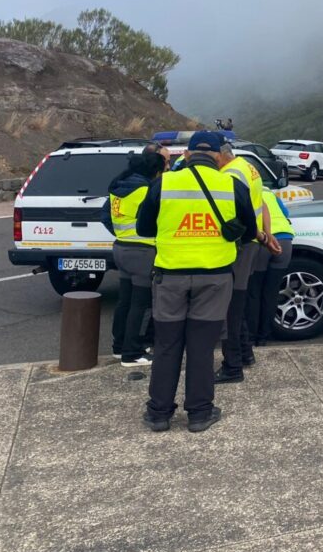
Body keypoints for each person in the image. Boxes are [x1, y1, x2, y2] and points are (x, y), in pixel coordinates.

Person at [136, 131, 258, 433]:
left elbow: (143, 228)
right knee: (202, 346)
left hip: (170, 276)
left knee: (166, 345)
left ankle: (159, 413)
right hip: (215, 277)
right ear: (219, 158)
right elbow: (249, 231)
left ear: (187, 155)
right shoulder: (232, 185)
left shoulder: (163, 184)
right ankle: (200, 413)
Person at [216, 143, 277, 384]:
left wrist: (262, 235)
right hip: (252, 242)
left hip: (240, 244)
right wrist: (265, 235)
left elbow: (236, 213)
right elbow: (260, 204)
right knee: (237, 302)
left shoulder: (230, 174)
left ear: (222, 156)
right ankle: (244, 353)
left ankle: (232, 366)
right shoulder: (247, 167)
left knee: (231, 305)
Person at [101, 151, 166, 366]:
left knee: (126, 301)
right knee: (142, 303)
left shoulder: (117, 188)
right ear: (153, 171)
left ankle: (119, 346)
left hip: (121, 248)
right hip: (142, 251)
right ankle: (133, 352)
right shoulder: (146, 190)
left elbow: (105, 217)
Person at [247, 189, 295, 347]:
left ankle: (251, 336)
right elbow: (285, 212)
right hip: (285, 240)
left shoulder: (246, 191)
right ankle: (263, 337)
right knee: (271, 291)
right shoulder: (269, 192)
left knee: (254, 291)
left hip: (263, 241)